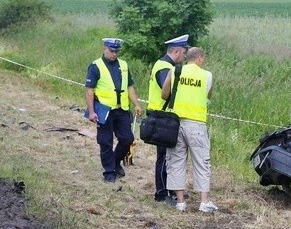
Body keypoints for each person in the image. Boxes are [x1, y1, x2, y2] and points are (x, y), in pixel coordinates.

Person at [161, 47, 218, 213]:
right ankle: (204, 201)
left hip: (176, 122)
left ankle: (180, 202)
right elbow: (209, 96)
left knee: (177, 160)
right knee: (201, 162)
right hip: (197, 123)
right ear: (200, 58)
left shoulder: (175, 70)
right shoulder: (207, 75)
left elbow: (165, 94)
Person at [85, 38, 142, 183]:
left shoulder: (123, 65)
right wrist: (91, 111)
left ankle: (116, 162)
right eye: (111, 50)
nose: (114, 54)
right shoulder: (95, 66)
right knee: (105, 142)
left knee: (127, 139)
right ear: (104, 49)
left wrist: (136, 104)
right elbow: (89, 90)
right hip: (104, 109)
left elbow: (130, 86)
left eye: (117, 51)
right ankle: (109, 171)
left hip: (121, 109)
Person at [148, 34, 189, 204]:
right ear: (177, 51)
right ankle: (162, 193)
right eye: (184, 53)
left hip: (164, 116)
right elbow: (169, 91)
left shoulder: (166, 65)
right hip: (161, 117)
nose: (185, 56)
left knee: (168, 156)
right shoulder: (164, 67)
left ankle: (169, 190)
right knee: (164, 157)